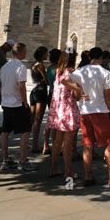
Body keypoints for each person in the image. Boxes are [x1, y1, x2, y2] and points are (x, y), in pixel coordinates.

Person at [66, 46, 110, 188]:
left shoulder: (80, 71)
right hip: (100, 111)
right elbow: (107, 94)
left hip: (85, 111)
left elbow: (64, 80)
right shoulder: (104, 72)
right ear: (100, 58)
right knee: (109, 143)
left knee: (87, 144)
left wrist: (77, 90)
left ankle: (88, 176)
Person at [0, 43, 37, 172]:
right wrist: (25, 102)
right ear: (20, 52)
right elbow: (21, 86)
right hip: (17, 103)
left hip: (6, 102)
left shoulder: (5, 66)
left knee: (5, 132)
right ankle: (23, 160)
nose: (26, 53)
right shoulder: (20, 67)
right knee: (25, 131)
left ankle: (5, 160)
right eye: (25, 51)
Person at [47, 51, 82, 179]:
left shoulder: (57, 72)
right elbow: (77, 96)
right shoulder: (71, 74)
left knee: (57, 141)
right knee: (68, 143)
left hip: (57, 110)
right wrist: (79, 89)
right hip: (68, 111)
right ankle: (68, 171)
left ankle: (53, 168)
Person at [29, 46, 48, 153]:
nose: (47, 55)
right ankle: (35, 145)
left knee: (32, 119)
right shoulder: (40, 65)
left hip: (34, 91)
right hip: (41, 91)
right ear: (43, 54)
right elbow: (46, 80)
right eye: (46, 53)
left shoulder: (32, 64)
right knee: (38, 119)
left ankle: (27, 141)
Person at [42, 48, 61, 154]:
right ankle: (55, 144)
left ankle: (45, 145)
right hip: (57, 95)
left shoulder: (49, 68)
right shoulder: (59, 69)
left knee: (50, 120)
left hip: (51, 94)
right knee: (56, 121)